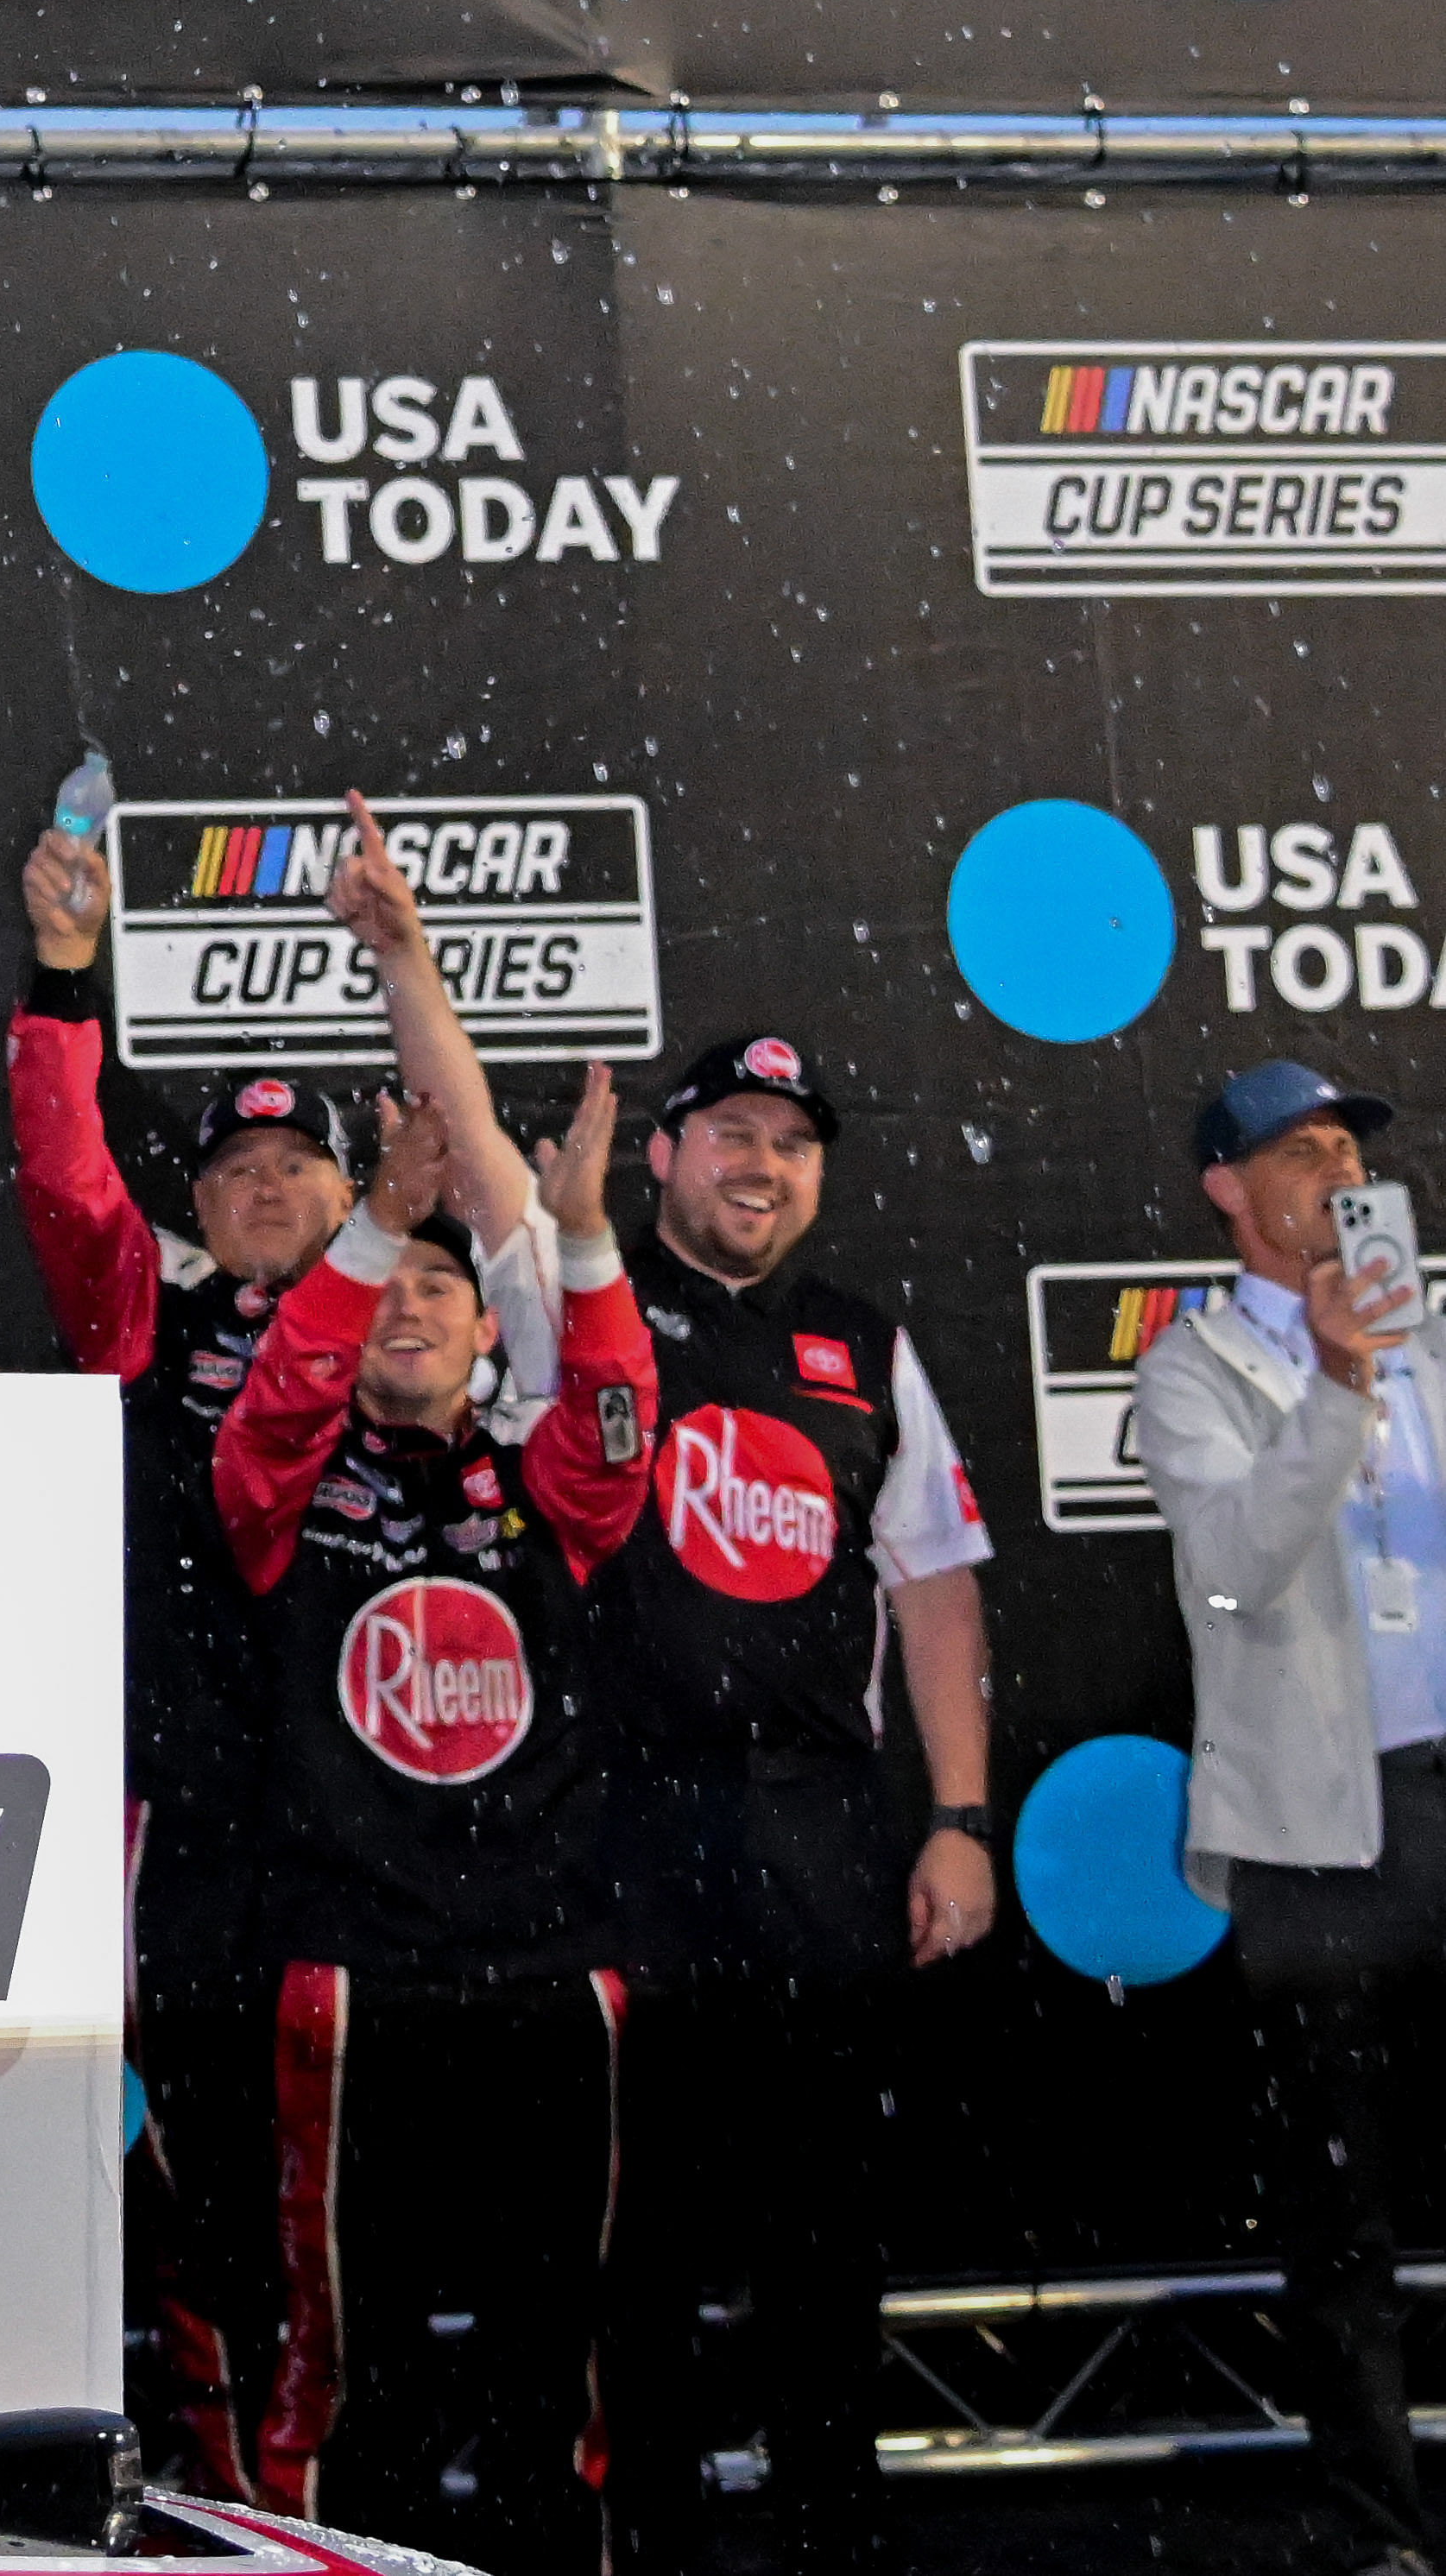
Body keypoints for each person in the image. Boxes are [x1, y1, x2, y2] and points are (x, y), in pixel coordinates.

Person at [220, 1073, 653, 2576]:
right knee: (348, 2370)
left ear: (486, 1336)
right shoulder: (279, 1481)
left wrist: (581, 1234)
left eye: (439, 1287)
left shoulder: (549, 1488)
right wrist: (388, 1212)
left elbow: (613, 1411)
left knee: (554, 2361)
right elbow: (279, 1392)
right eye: (383, 1284)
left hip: (548, 1979)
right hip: (353, 1983)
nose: (407, 1301)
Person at [591, 1031, 998, 2573]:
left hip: (824, 1832)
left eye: (792, 1141)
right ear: (662, 1155)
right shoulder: (589, 1302)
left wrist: (957, 1820)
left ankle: (838, 2531)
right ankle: (652, 2537)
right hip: (626, 1827)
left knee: (825, 2234)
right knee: (636, 2246)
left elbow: (940, 1586)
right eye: (730, 1133)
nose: (761, 1164)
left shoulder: (860, 1341)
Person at [7, 819, 359, 2498]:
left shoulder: (419, 1325)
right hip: (204, 1822)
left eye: (299, 1168)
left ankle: (354, 2478)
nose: (268, 1189)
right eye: (234, 1172)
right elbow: (72, 1177)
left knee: (362, 2182)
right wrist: (60, 982)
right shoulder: (156, 1321)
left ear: (359, 1200)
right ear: (201, 1207)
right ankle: (231, 2494)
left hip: (391, 1836)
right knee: (207, 2169)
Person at [1133, 1058, 1446, 2576]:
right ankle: (1380, 2532)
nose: (1332, 1167)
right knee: (1344, 2227)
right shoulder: (1190, 1367)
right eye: (1298, 1148)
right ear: (1225, 1189)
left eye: (1346, 1147)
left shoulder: (1438, 1334)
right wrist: (1334, 1384)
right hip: (1314, 1844)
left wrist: (1390, 1355)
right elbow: (1234, 1569)